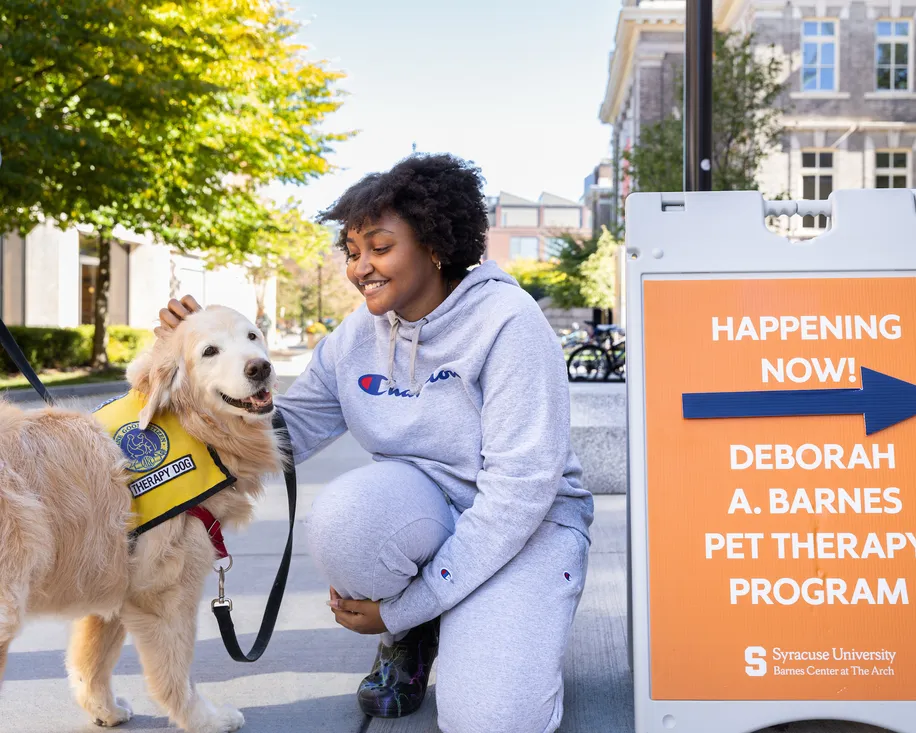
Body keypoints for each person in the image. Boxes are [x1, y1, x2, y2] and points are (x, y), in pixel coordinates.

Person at [158, 153, 593, 733]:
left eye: (380, 248)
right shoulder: (358, 334)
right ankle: (416, 639)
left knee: (493, 720)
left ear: (435, 244)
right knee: (344, 518)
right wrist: (196, 357)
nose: (361, 267)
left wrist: (400, 606)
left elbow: (518, 498)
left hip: (528, 527)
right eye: (352, 252)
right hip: (426, 510)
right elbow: (285, 429)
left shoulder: (508, 323)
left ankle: (462, 619)